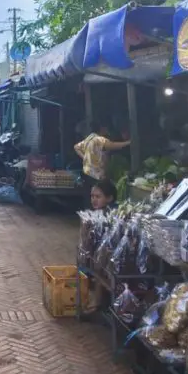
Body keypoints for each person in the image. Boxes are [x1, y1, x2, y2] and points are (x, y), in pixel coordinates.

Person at [84, 179, 118, 313]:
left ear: (109, 198)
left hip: (111, 256)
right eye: (92, 196)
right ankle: (95, 298)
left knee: (99, 266)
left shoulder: (112, 215)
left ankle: (97, 301)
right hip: (101, 255)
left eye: (98, 196)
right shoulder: (96, 215)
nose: (94, 200)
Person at [74, 123, 130, 190]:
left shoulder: (91, 137)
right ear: (101, 128)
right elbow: (112, 145)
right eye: (105, 128)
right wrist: (128, 143)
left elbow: (76, 147)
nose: (107, 130)